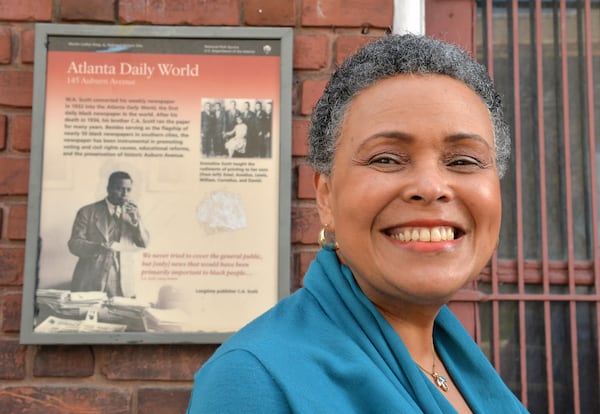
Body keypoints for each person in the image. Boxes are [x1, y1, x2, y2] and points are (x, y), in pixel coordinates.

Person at [186, 34, 528, 413]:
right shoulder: (255, 381)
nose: (431, 188)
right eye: (386, 159)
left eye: (464, 161)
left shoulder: (454, 359)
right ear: (326, 197)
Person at [68, 171, 149, 298]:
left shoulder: (133, 213)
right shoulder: (87, 211)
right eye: (119, 189)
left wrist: (136, 221)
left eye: (128, 190)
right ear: (108, 189)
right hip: (90, 278)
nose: (125, 194)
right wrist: (99, 246)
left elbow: (144, 243)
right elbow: (74, 244)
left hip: (123, 282)